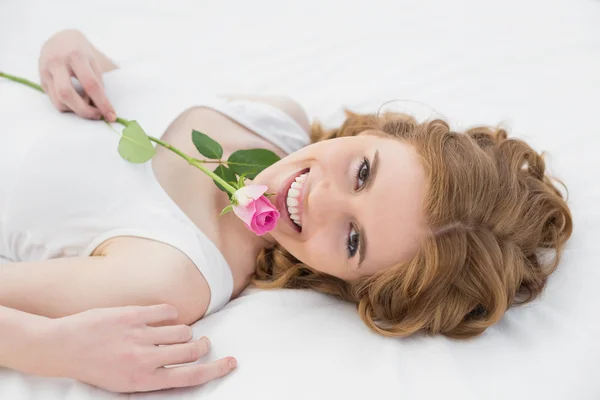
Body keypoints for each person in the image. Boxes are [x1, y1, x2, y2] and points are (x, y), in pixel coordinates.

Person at [0, 29, 573, 392]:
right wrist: (68, 48)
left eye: (353, 240)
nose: (320, 199)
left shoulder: (173, 276)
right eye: (364, 172)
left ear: (357, 285)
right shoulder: (274, 118)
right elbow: (97, 99)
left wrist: (46, 350)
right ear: (382, 132)